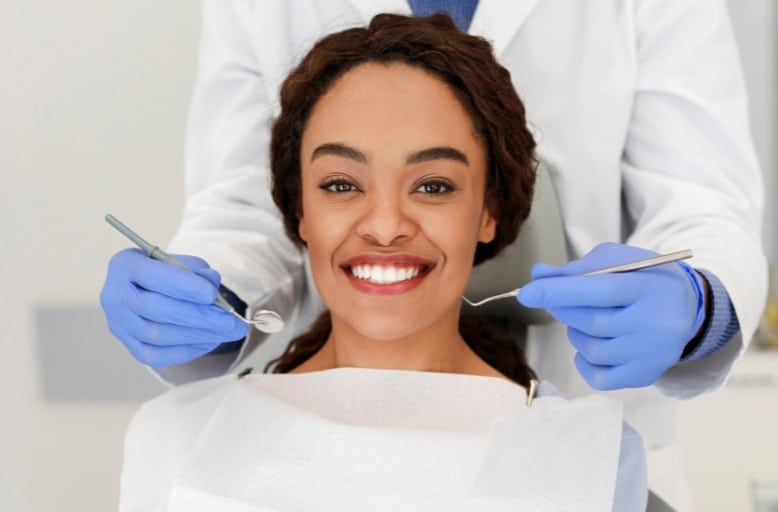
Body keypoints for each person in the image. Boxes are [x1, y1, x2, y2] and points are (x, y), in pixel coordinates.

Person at [100, 1, 766, 509]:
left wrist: (700, 306)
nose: (386, 224)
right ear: (298, 205)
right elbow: (240, 202)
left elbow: (705, 202)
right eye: (340, 183)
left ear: (490, 211)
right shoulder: (180, 450)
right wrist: (212, 297)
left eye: (434, 185)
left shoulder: (601, 466)